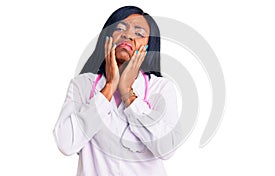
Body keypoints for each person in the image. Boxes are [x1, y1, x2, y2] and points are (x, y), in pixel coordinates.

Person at [53, 6, 182, 176]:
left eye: (139, 33)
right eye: (120, 28)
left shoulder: (161, 88)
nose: (127, 35)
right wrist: (109, 87)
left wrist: (127, 92)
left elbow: (167, 149)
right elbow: (66, 143)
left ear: (148, 47)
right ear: (107, 38)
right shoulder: (82, 85)